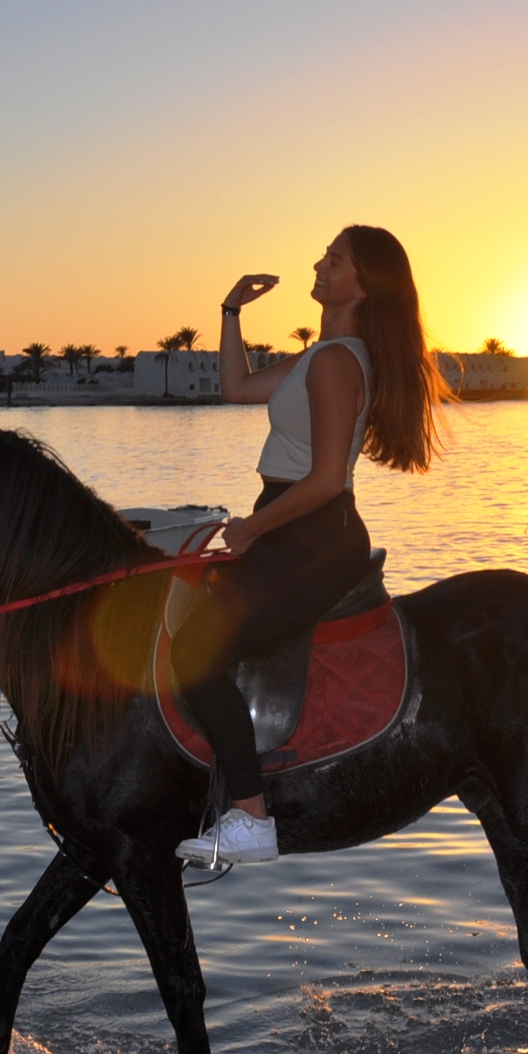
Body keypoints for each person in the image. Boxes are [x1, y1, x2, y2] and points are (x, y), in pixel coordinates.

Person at [172, 225, 447, 864]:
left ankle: (251, 818)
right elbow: (236, 388)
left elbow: (326, 480)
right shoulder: (319, 355)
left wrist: (252, 529)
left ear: (363, 284)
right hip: (294, 526)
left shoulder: (335, 362)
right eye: (325, 256)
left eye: (335, 260)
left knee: (195, 652)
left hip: (314, 535)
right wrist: (231, 311)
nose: (319, 265)